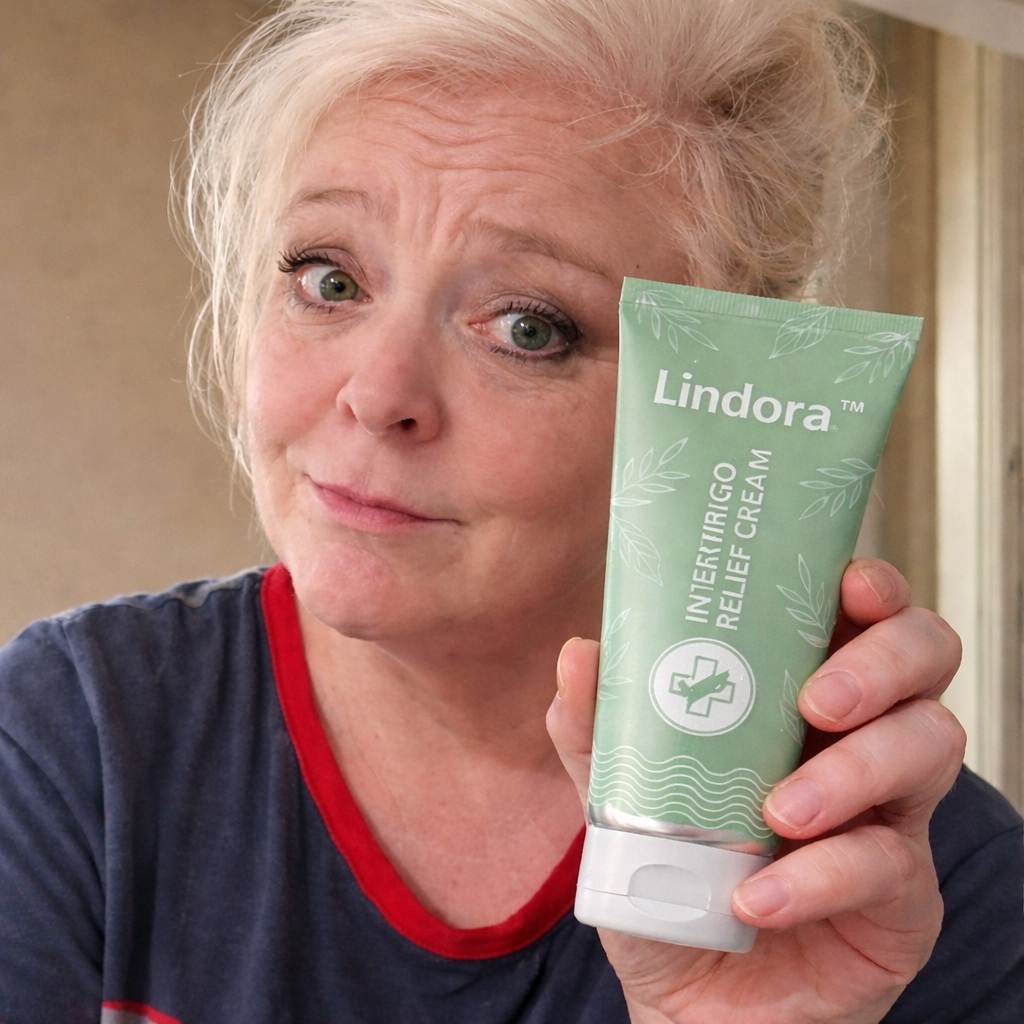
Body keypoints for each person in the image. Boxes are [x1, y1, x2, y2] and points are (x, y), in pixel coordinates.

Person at [0, 1, 1020, 1021]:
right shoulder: (71, 739)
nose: (377, 392)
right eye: (330, 279)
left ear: (719, 400)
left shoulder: (913, 892)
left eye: (529, 327)